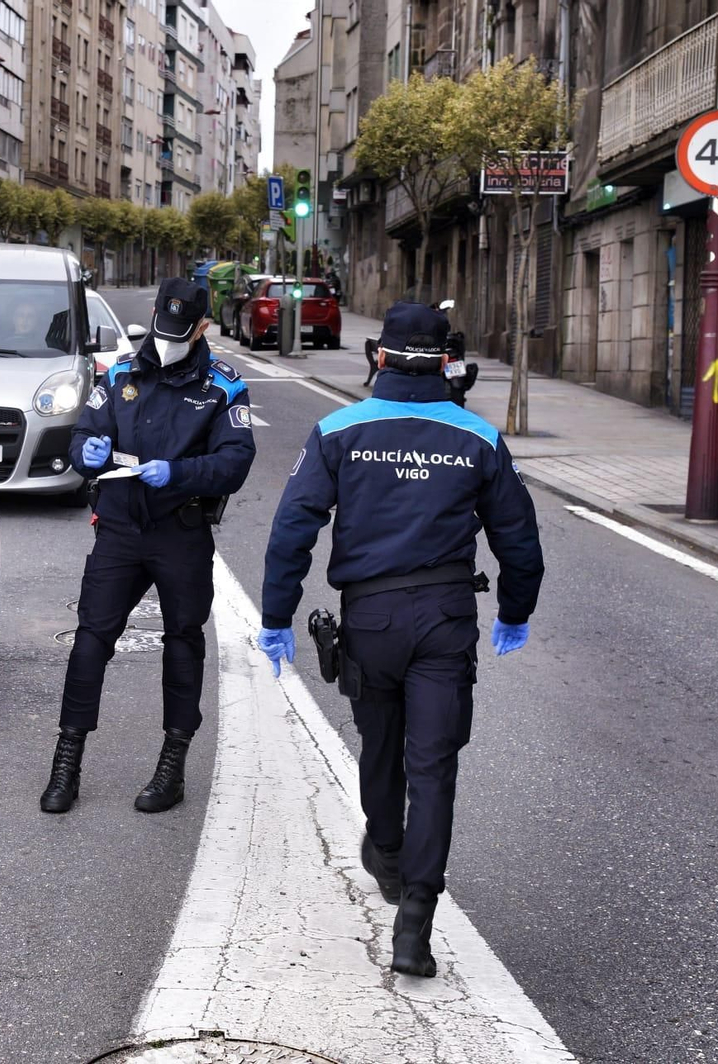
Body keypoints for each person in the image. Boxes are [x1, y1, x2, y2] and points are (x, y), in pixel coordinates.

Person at [256, 300, 544, 978]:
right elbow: (520, 542)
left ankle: (385, 848)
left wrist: (275, 617)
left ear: (377, 356)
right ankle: (415, 923)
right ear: (448, 362)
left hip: (372, 621)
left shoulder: (339, 430)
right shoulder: (477, 437)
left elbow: (293, 528)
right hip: (445, 621)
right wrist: (514, 609)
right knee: (434, 766)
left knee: (379, 747)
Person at [40, 279, 256, 816]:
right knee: (91, 639)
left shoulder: (223, 387)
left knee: (183, 642)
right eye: (162, 328)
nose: (168, 340)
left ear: (203, 327)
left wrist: (179, 473)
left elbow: (235, 463)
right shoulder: (119, 374)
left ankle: (172, 765)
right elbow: (81, 436)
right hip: (118, 528)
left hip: (180, 532)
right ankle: (66, 762)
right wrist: (87, 451)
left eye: (180, 332)